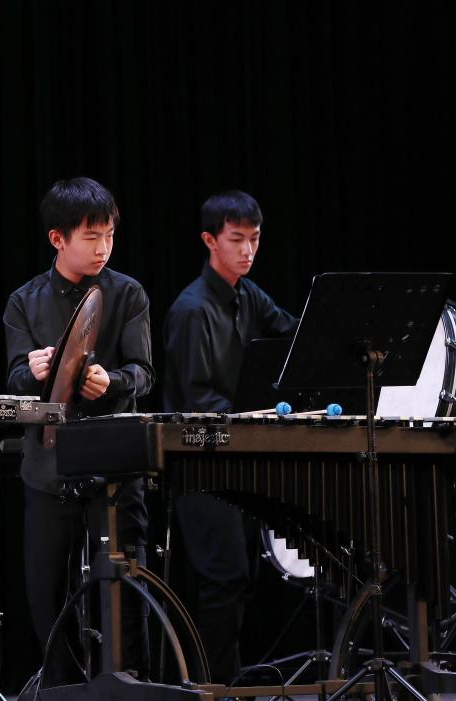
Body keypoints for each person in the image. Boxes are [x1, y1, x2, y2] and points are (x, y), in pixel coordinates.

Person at [4, 176, 154, 683]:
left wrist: (112, 381)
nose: (103, 247)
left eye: (109, 235)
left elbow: (143, 373)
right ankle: (63, 688)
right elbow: (15, 379)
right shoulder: (24, 301)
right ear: (57, 239)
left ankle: (129, 683)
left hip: (116, 463)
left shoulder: (128, 293)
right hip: (48, 465)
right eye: (91, 237)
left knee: (125, 583)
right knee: (48, 592)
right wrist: (34, 370)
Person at [163, 190, 298, 683]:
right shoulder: (192, 310)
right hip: (199, 465)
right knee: (224, 578)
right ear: (209, 240)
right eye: (237, 239)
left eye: (254, 239)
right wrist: (258, 417)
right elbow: (197, 401)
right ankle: (210, 686)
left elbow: (291, 333)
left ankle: (227, 683)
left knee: (244, 580)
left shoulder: (249, 296)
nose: (247, 250)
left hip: (236, 459)